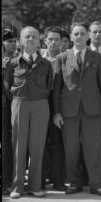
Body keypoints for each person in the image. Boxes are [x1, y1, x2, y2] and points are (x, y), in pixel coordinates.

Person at [53, 22, 101, 196]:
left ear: (88, 36)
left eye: (82, 34)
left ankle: (96, 183)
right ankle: (74, 182)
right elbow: (56, 87)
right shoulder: (62, 58)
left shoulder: (98, 58)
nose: (79, 37)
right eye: (76, 34)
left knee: (93, 148)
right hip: (69, 111)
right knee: (71, 149)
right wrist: (56, 112)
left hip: (92, 110)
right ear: (70, 37)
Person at [4, 26, 54, 199]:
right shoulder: (12, 63)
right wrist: (19, 102)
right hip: (20, 104)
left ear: (39, 41)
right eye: (27, 37)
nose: (31, 39)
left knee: (37, 146)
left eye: (34, 36)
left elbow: (49, 86)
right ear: (21, 41)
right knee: (18, 146)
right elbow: (7, 85)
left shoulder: (46, 64)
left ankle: (35, 186)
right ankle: (17, 187)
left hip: (40, 105)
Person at [41, 26, 66, 191]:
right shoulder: (38, 58)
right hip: (40, 107)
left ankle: (58, 181)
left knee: (58, 145)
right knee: (40, 145)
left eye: (57, 39)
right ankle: (40, 181)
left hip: (59, 109)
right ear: (45, 41)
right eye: (50, 39)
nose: (53, 42)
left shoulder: (66, 59)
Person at [2, 29, 17, 196]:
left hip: (11, 107)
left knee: (8, 146)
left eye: (14, 41)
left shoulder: (16, 60)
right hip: (6, 107)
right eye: (8, 41)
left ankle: (7, 181)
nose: (12, 43)